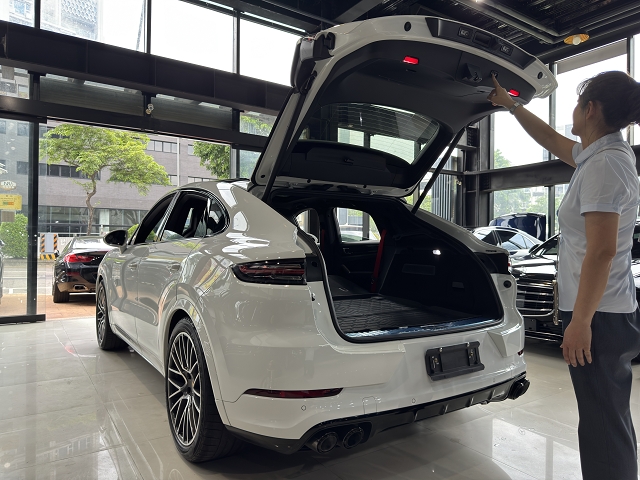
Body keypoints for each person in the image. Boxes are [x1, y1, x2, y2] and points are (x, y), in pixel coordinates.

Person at [488, 71, 640, 480]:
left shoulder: (605, 165)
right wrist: (511, 105)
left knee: (603, 425)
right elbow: (551, 140)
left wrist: (581, 322)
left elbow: (602, 250)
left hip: (600, 315)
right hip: (603, 311)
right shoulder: (598, 156)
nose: (571, 113)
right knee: (606, 419)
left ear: (590, 109)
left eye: (575, 104)